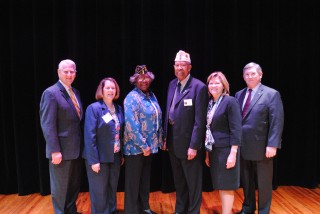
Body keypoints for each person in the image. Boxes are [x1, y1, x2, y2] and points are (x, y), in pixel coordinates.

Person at [235, 62, 284, 214]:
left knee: (263, 183)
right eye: (247, 74)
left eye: (253, 74)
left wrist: (273, 144)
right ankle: (248, 208)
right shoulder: (239, 94)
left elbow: (277, 121)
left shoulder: (271, 94)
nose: (250, 77)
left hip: (263, 147)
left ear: (260, 75)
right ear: (243, 76)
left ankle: (264, 211)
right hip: (243, 146)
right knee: (247, 181)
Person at [163, 50, 208, 214]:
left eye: (183, 65)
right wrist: (165, 138)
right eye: (177, 65)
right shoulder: (172, 84)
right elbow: (169, 111)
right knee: (179, 181)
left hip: (190, 145)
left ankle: (194, 211)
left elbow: (199, 120)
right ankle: (180, 209)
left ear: (189, 67)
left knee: (193, 183)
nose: (179, 68)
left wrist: (194, 146)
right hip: (173, 142)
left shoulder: (199, 87)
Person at [39, 59, 83, 214]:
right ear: (59, 72)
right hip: (60, 152)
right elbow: (47, 125)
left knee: (72, 186)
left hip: (75, 150)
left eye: (72, 71)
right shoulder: (51, 93)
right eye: (66, 71)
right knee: (60, 188)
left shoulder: (75, 92)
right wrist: (54, 150)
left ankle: (71, 211)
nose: (69, 74)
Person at [123, 65, 163, 214]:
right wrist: (143, 145)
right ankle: (132, 211)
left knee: (145, 179)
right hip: (136, 148)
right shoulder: (131, 98)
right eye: (140, 78)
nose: (143, 80)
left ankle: (144, 207)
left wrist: (160, 140)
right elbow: (131, 125)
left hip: (150, 147)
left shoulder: (151, 95)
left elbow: (158, 118)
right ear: (135, 80)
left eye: (146, 77)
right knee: (133, 182)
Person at [82, 77, 125, 214]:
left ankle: (111, 211)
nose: (111, 90)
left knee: (112, 189)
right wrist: (93, 160)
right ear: (101, 90)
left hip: (115, 156)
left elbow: (121, 132)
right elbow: (90, 137)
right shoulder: (94, 108)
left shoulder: (118, 109)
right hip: (99, 158)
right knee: (99, 191)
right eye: (107, 88)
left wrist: (121, 154)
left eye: (113, 88)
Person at [204, 72, 242, 214]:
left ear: (224, 85)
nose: (213, 85)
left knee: (227, 186)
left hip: (227, 150)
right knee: (221, 184)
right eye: (211, 83)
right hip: (214, 150)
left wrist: (233, 154)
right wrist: (208, 153)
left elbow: (236, 129)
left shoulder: (230, 101)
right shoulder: (211, 103)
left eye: (217, 83)